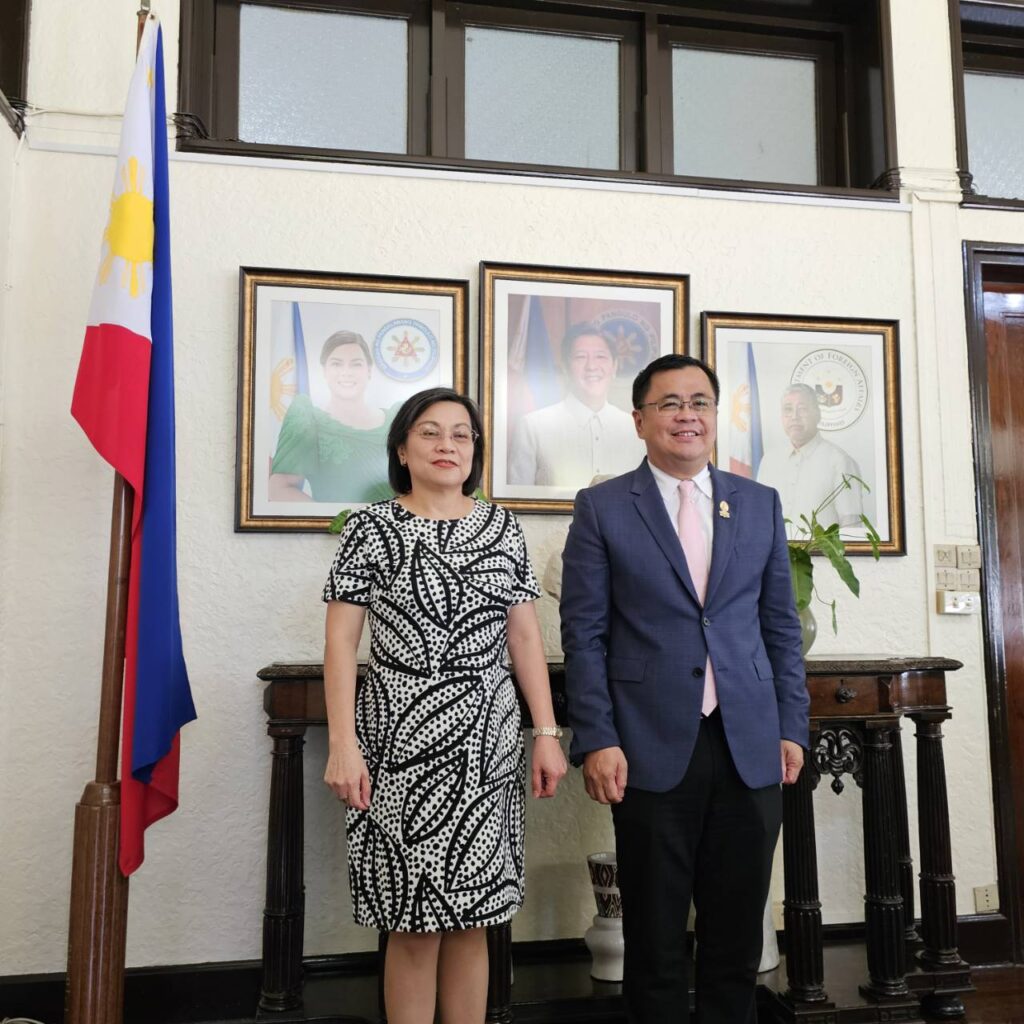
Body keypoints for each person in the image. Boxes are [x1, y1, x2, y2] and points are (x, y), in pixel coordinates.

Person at [560, 354, 809, 1024]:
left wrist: (792, 726)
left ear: (715, 416)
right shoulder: (604, 507)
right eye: (670, 403)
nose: (686, 415)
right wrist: (598, 738)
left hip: (749, 739)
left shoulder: (756, 502)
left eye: (699, 401)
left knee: (737, 935)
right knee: (655, 937)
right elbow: (583, 635)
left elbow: (780, 626)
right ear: (640, 420)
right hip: (646, 743)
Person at [322, 387, 567, 1024]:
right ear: (402, 448)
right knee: (411, 921)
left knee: (475, 919)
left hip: (486, 744)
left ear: (475, 450)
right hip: (396, 744)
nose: (447, 446)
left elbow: (524, 636)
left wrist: (545, 731)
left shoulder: (501, 526)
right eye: (430, 433)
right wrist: (343, 744)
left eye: (461, 434)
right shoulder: (371, 528)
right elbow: (343, 642)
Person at [507, 323, 645, 488]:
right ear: (565, 367)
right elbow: (516, 502)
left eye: (600, 357)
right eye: (580, 357)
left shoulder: (635, 429)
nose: (591, 366)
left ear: (614, 366)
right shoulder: (533, 426)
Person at [270, 330, 397, 503]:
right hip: (337, 529)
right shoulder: (307, 418)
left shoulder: (398, 418)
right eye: (337, 364)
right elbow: (279, 489)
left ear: (369, 371)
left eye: (356, 364)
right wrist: (337, 522)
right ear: (324, 371)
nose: (346, 372)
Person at [756, 382, 863, 533]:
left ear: (818, 414)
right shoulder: (769, 461)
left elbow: (852, 530)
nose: (794, 416)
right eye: (788, 409)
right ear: (781, 416)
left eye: (802, 409)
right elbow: (759, 519)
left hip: (821, 556)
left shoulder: (840, 462)